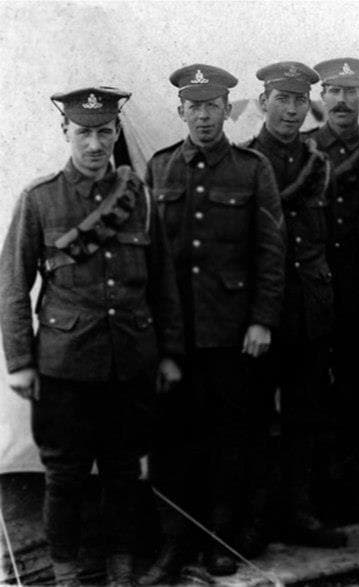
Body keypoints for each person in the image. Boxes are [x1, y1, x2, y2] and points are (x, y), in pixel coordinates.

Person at [0, 87, 183, 586]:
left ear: (117, 132)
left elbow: (162, 279)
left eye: (104, 132)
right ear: (65, 133)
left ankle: (120, 571)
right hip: (64, 368)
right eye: (84, 132)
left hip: (132, 361)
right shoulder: (39, 199)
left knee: (124, 474)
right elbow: (12, 286)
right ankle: (66, 575)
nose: (95, 144)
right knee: (65, 480)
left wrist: (169, 353)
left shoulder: (138, 198)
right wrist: (19, 360)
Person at [139, 64, 285, 581]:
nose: (204, 116)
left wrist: (262, 320)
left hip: (232, 333)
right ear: (180, 112)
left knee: (231, 438)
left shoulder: (251, 169)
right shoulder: (159, 169)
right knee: (171, 441)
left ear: (229, 110)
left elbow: (270, 251)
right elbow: (147, 256)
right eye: (194, 107)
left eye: (213, 106)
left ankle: (221, 540)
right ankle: (175, 545)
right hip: (174, 336)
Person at [242, 61, 347, 549]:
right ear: (263, 102)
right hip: (263, 314)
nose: (290, 110)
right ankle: (259, 516)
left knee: (307, 414)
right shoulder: (244, 162)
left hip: (311, 308)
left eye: (299, 101)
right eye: (281, 99)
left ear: (310, 105)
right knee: (258, 417)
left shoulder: (318, 161)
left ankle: (301, 511)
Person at [302, 58, 359, 519]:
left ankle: (357, 486)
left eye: (350, 91)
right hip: (313, 289)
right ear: (321, 98)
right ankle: (318, 490)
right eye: (333, 91)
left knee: (355, 387)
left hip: (358, 291)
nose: (341, 100)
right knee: (313, 387)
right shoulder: (302, 150)